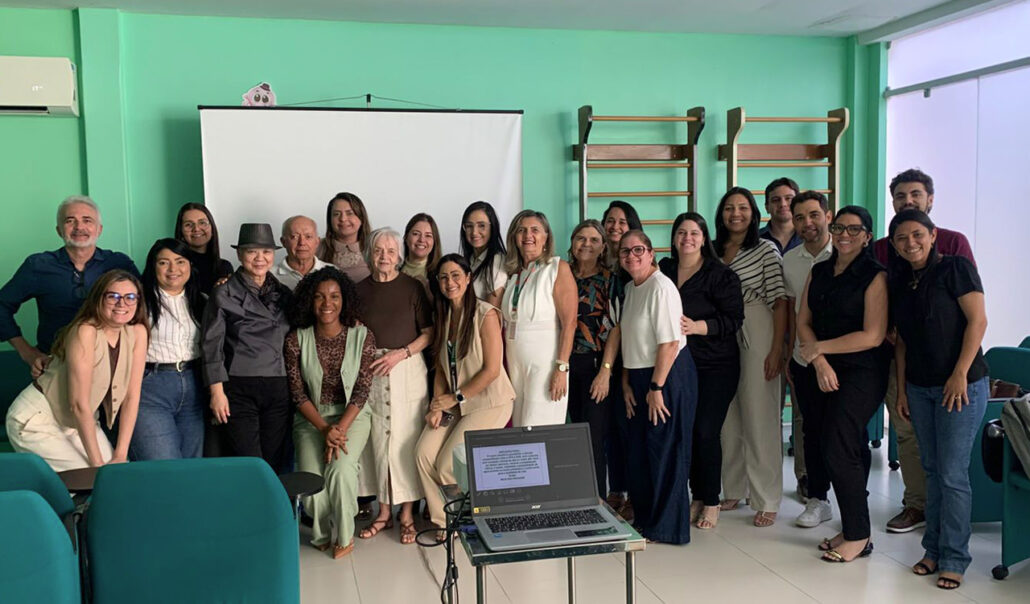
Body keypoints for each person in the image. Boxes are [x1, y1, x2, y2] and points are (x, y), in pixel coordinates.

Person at [889, 209, 988, 590]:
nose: (910, 243)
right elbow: (901, 342)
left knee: (952, 474)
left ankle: (955, 558)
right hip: (919, 387)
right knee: (931, 470)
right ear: (894, 245)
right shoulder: (900, 280)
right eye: (901, 238)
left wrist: (960, 373)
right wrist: (902, 389)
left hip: (960, 386)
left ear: (932, 235)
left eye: (917, 234)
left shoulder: (956, 268)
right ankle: (932, 549)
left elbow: (978, 321)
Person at [874, 168, 976, 534]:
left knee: (948, 460)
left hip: (952, 366)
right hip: (902, 360)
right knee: (907, 434)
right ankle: (917, 505)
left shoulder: (954, 245)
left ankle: (948, 528)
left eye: (915, 194)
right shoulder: (882, 249)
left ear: (930, 200)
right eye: (900, 196)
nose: (908, 201)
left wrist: (960, 370)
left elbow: (973, 313)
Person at [795, 206, 888, 563]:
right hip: (821, 367)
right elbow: (803, 322)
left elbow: (873, 335)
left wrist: (821, 349)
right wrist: (818, 360)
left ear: (867, 236)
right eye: (839, 228)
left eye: (854, 229)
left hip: (862, 370)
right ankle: (853, 528)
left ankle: (859, 535)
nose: (844, 235)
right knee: (826, 443)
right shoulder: (819, 270)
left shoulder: (875, 275)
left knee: (839, 443)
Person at [5, 269, 148, 471]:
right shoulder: (85, 330)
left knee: (119, 474)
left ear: (138, 302)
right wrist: (97, 468)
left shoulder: (138, 332)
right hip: (38, 419)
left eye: (130, 297)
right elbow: (78, 404)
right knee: (89, 478)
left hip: (78, 423)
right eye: (113, 296)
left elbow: (131, 396)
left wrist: (121, 454)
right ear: (99, 299)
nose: (122, 303)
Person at [416, 254, 515, 535]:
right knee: (423, 454)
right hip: (455, 403)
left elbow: (492, 370)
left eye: (456, 275)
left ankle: (464, 520)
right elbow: (440, 367)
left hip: (489, 403)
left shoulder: (486, 314)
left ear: (468, 278)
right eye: (444, 277)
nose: (450, 282)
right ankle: (444, 521)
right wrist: (437, 406)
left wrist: (455, 398)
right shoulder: (443, 315)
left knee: (448, 464)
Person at [658, 212, 744, 530]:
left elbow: (734, 319)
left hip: (716, 365)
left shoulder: (720, 274)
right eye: (681, 232)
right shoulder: (664, 269)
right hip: (678, 364)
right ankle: (697, 494)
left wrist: (698, 326)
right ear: (674, 238)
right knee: (687, 430)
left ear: (704, 238)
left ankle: (711, 500)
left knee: (706, 432)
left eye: (694, 233)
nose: (687, 238)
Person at [285, 267, 377, 559]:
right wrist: (325, 429)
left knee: (340, 470)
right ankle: (322, 531)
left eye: (335, 296)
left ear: (344, 300)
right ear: (309, 301)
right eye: (320, 296)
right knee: (311, 480)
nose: (327, 303)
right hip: (311, 418)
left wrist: (339, 430)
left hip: (352, 417)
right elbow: (298, 393)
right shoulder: (296, 339)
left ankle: (345, 535)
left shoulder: (362, 336)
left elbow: (362, 390)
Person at [611, 230, 696, 544]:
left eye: (638, 250)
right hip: (639, 377)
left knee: (665, 452)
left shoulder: (661, 287)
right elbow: (630, 340)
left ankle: (667, 528)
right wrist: (626, 383)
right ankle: (646, 520)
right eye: (625, 251)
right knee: (640, 454)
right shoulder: (632, 288)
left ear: (651, 253)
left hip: (666, 376)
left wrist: (657, 387)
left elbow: (670, 343)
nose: (631, 256)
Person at [354, 228, 433, 544]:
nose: (384, 256)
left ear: (399, 254)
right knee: (378, 441)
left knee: (406, 440)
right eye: (378, 250)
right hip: (373, 368)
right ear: (369, 255)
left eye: (390, 250)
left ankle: (407, 514)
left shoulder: (413, 287)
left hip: (407, 367)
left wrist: (401, 354)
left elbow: (429, 333)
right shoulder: (358, 290)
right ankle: (384, 513)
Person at [715, 187, 788, 527]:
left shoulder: (765, 249)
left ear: (753, 212)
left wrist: (776, 349)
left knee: (760, 417)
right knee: (728, 417)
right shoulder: (713, 250)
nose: (736, 214)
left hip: (757, 327)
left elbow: (780, 301)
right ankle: (734, 488)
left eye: (742, 207)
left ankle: (766, 498)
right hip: (721, 333)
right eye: (729, 208)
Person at [1, 196, 138, 376]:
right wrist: (27, 353)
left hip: (110, 365)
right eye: (70, 221)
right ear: (59, 230)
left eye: (87, 220)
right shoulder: (38, 265)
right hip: (55, 366)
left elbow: (145, 307)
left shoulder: (119, 263)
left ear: (99, 229)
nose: (79, 227)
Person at [201, 223, 293, 469]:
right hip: (239, 387)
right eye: (252, 251)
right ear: (240, 254)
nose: (260, 258)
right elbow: (211, 345)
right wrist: (216, 393)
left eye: (266, 252)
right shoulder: (223, 293)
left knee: (274, 463)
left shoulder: (284, 293)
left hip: (278, 385)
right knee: (250, 463)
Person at [131, 239, 207, 460]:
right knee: (162, 463)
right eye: (164, 262)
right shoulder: (138, 301)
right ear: (153, 266)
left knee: (192, 463)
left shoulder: (202, 301)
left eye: (180, 261)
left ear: (190, 265)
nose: (173, 269)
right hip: (151, 387)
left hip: (194, 386)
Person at [500, 210, 577, 427]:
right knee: (519, 429)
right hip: (515, 365)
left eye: (535, 230)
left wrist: (561, 368)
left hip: (545, 366)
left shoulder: (557, 268)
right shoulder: (513, 274)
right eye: (521, 230)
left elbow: (570, 323)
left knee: (539, 429)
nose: (528, 235)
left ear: (546, 237)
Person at [783, 191, 834, 514]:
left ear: (828, 216)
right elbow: (792, 312)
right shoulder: (790, 260)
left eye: (814, 215)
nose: (807, 223)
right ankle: (818, 497)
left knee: (846, 433)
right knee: (810, 430)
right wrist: (789, 353)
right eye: (800, 218)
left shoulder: (846, 253)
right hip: (803, 357)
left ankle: (854, 500)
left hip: (844, 358)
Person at [566, 220, 618, 496]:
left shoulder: (610, 280)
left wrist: (606, 371)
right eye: (581, 238)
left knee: (593, 437)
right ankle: (575, 497)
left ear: (603, 247)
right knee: (571, 435)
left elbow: (616, 328)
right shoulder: (561, 275)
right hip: (563, 365)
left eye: (594, 240)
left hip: (595, 364)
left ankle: (597, 500)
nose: (586, 244)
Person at [599, 200, 643, 520]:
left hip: (634, 357)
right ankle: (617, 489)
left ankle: (636, 494)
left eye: (622, 222)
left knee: (631, 427)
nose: (615, 227)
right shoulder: (595, 260)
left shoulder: (637, 265)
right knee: (611, 428)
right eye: (610, 221)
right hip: (603, 358)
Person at [174, 202, 234, 296]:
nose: (196, 229)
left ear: (212, 228)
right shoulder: (174, 267)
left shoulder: (224, 267)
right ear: (181, 231)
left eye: (202, 223)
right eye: (188, 225)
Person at [460, 201, 507, 307]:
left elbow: (492, 311)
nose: (474, 232)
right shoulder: (469, 260)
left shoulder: (497, 261)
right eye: (469, 226)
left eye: (481, 226)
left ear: (493, 227)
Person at [318, 192, 372, 283]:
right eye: (336, 214)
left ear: (361, 218)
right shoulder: (316, 247)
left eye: (349, 213)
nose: (343, 219)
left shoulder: (375, 247)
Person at [274, 215, 331, 291]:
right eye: (294, 237)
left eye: (308, 237)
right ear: (283, 242)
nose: (302, 243)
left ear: (317, 242)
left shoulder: (332, 272)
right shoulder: (269, 275)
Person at [758, 177, 802, 255]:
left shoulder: (809, 237)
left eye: (788, 198)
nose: (783, 204)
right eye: (776, 200)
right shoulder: (755, 239)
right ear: (767, 207)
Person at [401, 213, 442, 293]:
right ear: (406, 237)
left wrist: (427, 291)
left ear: (434, 241)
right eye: (416, 234)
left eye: (428, 236)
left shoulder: (441, 272)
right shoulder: (393, 268)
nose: (422, 240)